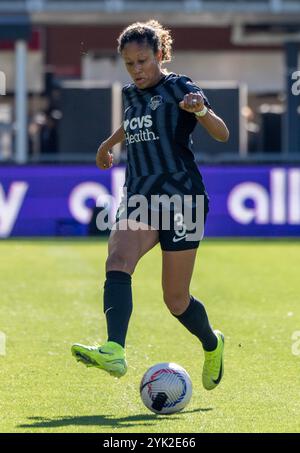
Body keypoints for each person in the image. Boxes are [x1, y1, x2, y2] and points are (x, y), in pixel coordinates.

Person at [71, 20, 229, 391]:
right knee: (117, 260)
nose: (136, 69)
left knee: (175, 300)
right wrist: (107, 144)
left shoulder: (180, 87)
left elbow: (222, 132)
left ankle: (212, 343)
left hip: (182, 200)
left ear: (160, 55)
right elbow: (131, 124)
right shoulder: (129, 94)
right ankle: (114, 349)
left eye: (142, 61)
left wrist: (201, 110)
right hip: (140, 196)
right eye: (129, 63)